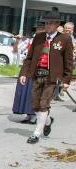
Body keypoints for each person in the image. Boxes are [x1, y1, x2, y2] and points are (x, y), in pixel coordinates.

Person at [19, 10, 73, 144]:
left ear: (57, 24)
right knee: (35, 105)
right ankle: (47, 121)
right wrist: (24, 73)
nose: (47, 25)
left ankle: (36, 133)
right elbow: (29, 58)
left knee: (44, 103)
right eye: (46, 23)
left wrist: (66, 80)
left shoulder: (65, 39)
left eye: (50, 23)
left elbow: (69, 61)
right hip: (37, 75)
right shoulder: (38, 37)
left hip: (52, 78)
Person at [13, 24, 46, 124]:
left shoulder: (46, 42)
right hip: (26, 69)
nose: (38, 31)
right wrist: (17, 41)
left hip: (38, 70)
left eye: (41, 29)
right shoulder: (29, 41)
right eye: (37, 30)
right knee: (24, 92)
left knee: (34, 92)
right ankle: (28, 114)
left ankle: (35, 116)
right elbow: (15, 51)